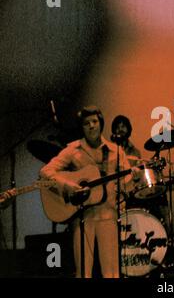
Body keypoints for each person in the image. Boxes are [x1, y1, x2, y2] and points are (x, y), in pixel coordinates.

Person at [40, 106, 137, 278]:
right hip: (82, 217)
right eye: (86, 123)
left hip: (108, 215)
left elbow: (127, 185)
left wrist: (134, 178)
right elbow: (46, 172)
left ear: (101, 124)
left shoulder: (116, 151)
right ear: (82, 127)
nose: (91, 126)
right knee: (83, 272)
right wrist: (68, 185)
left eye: (94, 121)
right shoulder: (73, 150)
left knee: (112, 273)